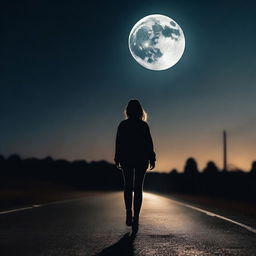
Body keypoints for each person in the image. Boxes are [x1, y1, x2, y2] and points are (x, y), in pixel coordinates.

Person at [114, 99, 156, 231]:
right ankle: (136, 217)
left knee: (128, 186)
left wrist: (117, 157)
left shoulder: (123, 125)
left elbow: (118, 142)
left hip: (126, 158)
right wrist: (152, 158)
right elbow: (149, 143)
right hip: (141, 159)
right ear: (140, 111)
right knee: (138, 188)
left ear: (128, 111)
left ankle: (129, 213)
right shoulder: (143, 125)